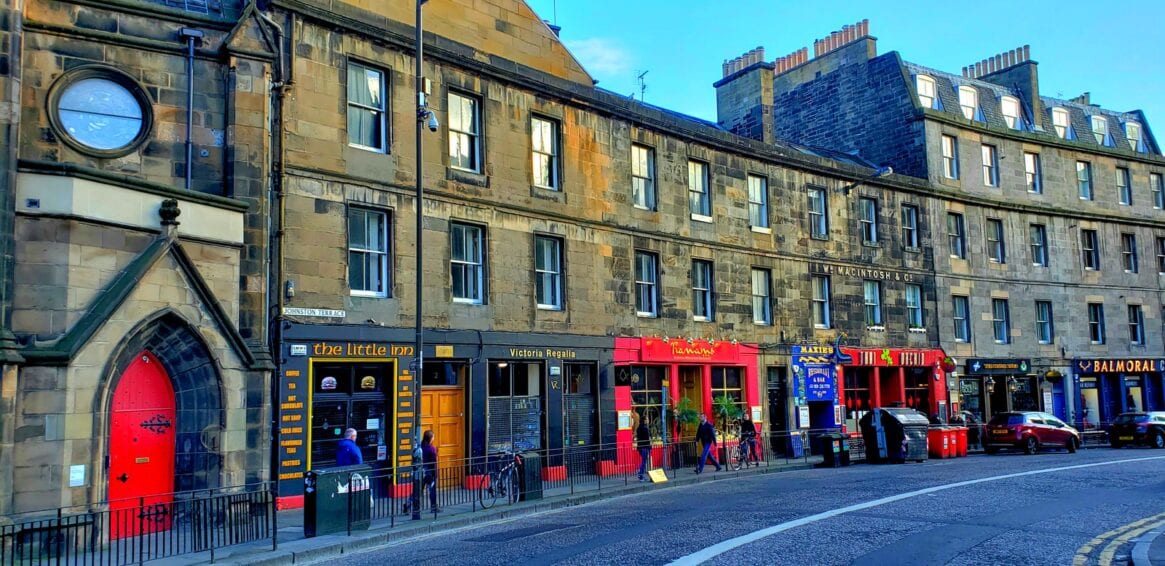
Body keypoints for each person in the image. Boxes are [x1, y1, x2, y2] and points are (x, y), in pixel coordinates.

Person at [421, 430, 440, 513]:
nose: (434, 438)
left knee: (418, 491)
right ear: (430, 438)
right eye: (433, 437)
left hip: (422, 472)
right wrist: (436, 474)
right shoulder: (432, 449)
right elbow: (434, 463)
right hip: (429, 472)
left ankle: (407, 504)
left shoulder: (421, 447)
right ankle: (433, 507)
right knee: (432, 490)